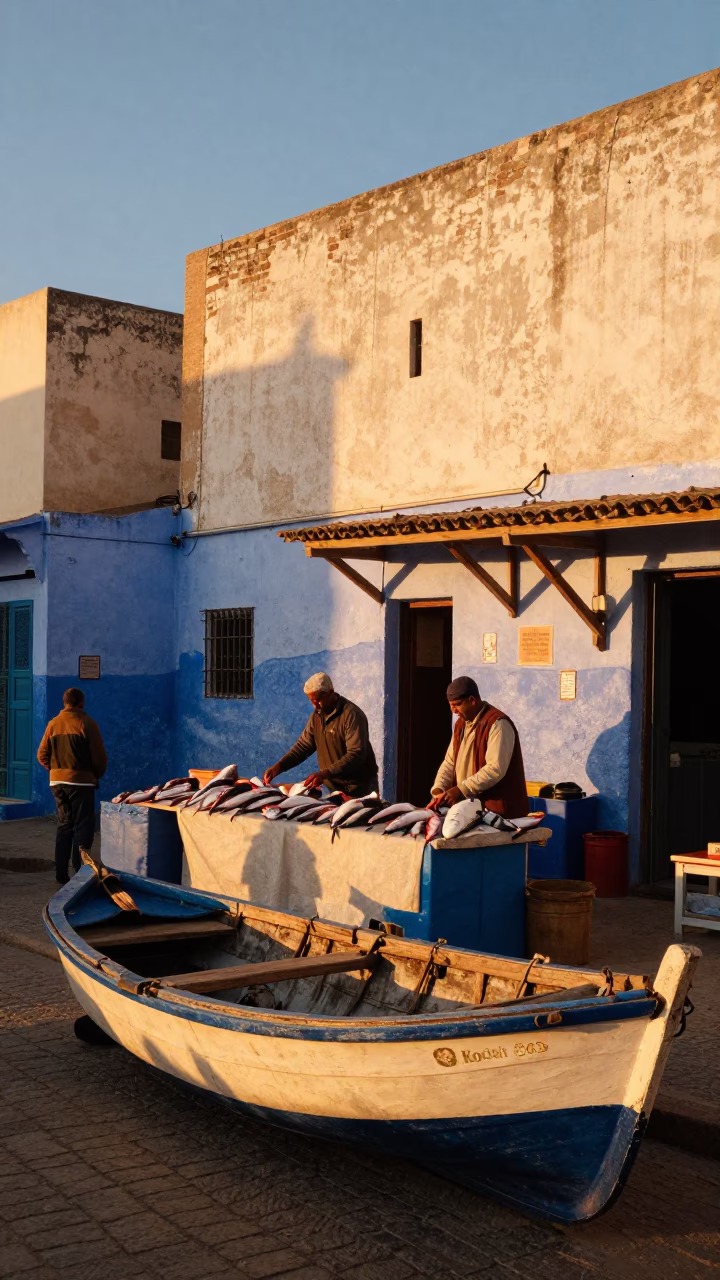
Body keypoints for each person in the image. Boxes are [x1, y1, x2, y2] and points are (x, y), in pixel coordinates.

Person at [263, 672, 379, 797]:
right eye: (311, 701)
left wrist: (324, 774)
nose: (314, 705)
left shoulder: (351, 715)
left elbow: (356, 754)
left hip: (359, 790)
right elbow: (303, 747)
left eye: (318, 700)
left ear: (330, 693)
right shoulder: (316, 716)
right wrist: (279, 767)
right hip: (332, 788)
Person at [428, 676, 529, 817]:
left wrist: (460, 790)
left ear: (472, 701)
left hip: (498, 813)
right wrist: (439, 789)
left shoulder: (498, 724)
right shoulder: (460, 725)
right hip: (471, 810)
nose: (453, 711)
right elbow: (450, 762)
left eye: (457, 704)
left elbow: (495, 769)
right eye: (451, 705)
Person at [37, 688, 108, 884]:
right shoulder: (87, 724)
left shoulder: (53, 724)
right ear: (81, 703)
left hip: (57, 782)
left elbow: (41, 755)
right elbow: (99, 757)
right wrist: (95, 774)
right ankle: (80, 872)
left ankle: (61, 874)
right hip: (82, 782)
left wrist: (55, 770)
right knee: (83, 826)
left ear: (65, 702)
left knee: (64, 825)